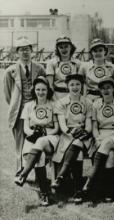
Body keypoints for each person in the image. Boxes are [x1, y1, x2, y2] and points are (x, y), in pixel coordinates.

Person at [3, 36, 46, 176]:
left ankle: (38, 169)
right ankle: (19, 169)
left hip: (36, 109)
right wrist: (17, 106)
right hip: (19, 111)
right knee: (19, 141)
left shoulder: (39, 68)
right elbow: (8, 94)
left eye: (27, 49)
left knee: (37, 138)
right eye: (21, 50)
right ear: (17, 53)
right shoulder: (10, 71)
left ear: (31, 51)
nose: (25, 53)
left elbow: (44, 88)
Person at [14, 76, 59, 206]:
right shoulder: (28, 106)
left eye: (43, 90)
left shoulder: (53, 105)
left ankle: (23, 175)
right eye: (38, 89)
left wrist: (45, 133)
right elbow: (26, 128)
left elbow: (56, 128)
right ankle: (44, 193)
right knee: (39, 157)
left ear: (48, 90)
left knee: (40, 149)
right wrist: (33, 133)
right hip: (33, 136)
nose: (41, 92)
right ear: (34, 90)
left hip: (50, 137)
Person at [51, 74, 93, 204]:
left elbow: (89, 125)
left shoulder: (87, 102)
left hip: (84, 136)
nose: (75, 87)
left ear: (82, 86)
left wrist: (84, 132)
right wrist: (71, 132)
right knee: (78, 154)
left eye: (78, 84)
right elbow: (63, 125)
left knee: (79, 147)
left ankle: (61, 177)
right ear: (67, 86)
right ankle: (77, 190)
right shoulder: (61, 102)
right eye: (72, 84)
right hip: (67, 135)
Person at [82, 76, 114, 202]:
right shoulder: (96, 105)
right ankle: (109, 192)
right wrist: (97, 138)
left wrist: (106, 137)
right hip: (100, 136)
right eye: (103, 88)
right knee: (109, 155)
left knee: (107, 144)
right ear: (100, 91)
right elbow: (95, 127)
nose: (106, 90)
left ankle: (90, 181)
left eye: (109, 88)